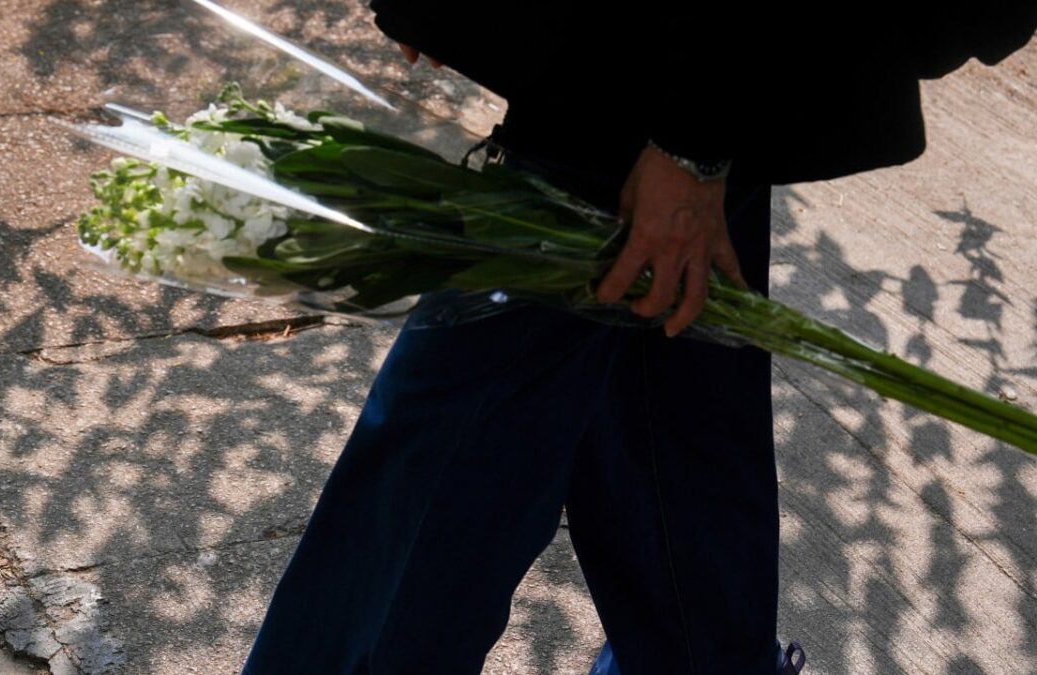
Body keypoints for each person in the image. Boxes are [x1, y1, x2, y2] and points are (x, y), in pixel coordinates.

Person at [241, 5, 1036, 674]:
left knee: (444, 458)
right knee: (676, 421)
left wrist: (694, 139)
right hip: (662, 66)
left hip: (652, 63)